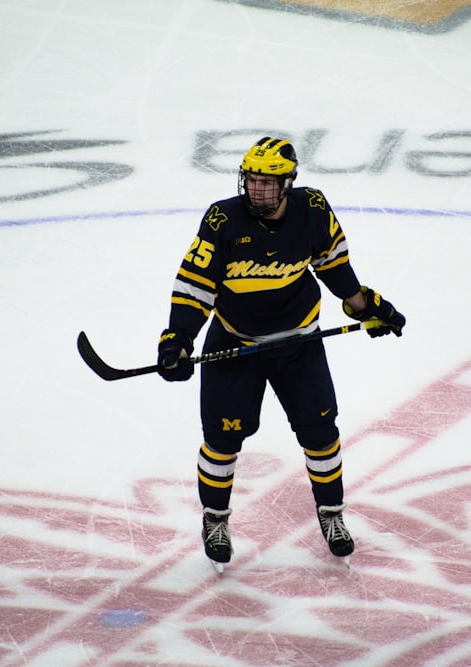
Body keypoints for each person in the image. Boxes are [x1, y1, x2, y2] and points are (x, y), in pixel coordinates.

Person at [157, 136, 405, 569]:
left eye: (267, 182)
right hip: (234, 343)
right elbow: (196, 286)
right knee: (222, 440)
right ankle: (215, 520)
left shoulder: (312, 210)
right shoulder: (222, 220)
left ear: (289, 183)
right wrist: (178, 339)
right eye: (251, 180)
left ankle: (331, 515)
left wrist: (367, 307)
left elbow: (333, 266)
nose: (256, 189)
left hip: (298, 342)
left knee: (321, 435)